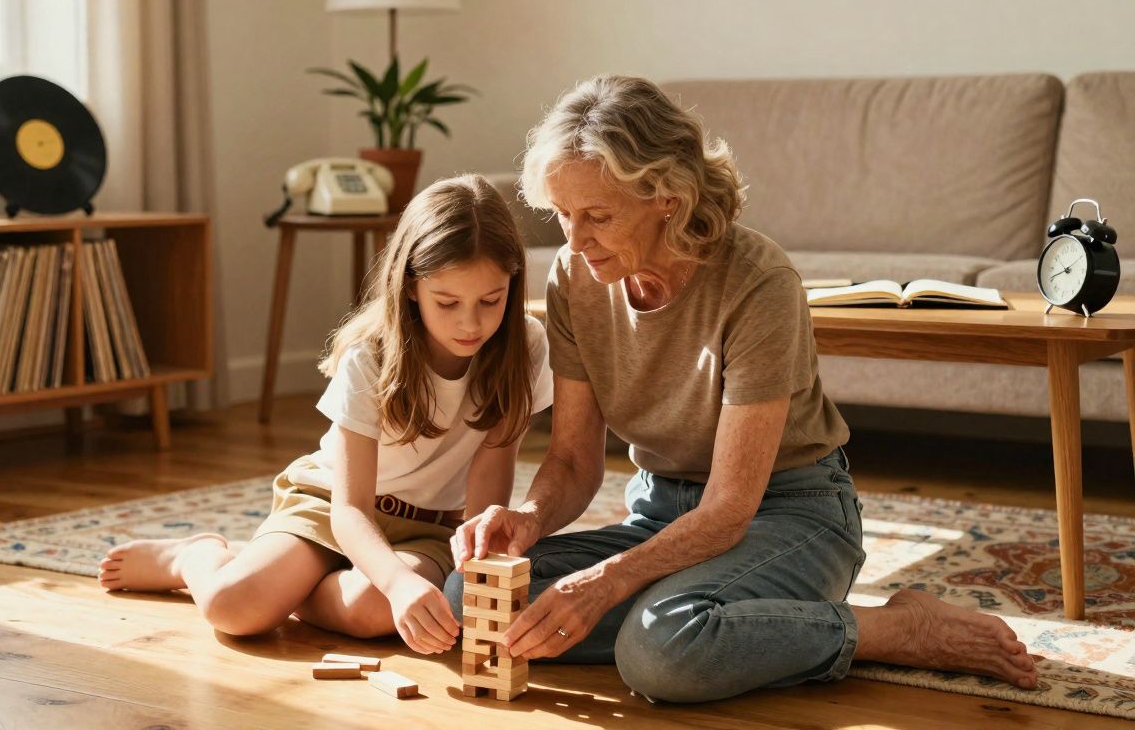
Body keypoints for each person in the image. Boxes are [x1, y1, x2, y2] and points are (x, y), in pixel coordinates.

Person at [446, 75, 1039, 701]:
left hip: (787, 511)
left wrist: (604, 584)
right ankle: (713, 618)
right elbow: (569, 459)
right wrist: (528, 518)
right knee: (473, 599)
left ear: (667, 198)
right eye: (563, 214)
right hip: (661, 515)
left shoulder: (758, 282)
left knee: (660, 656)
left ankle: (893, 629)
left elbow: (729, 509)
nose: (574, 239)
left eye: (598, 216)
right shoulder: (575, 276)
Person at [100, 174, 553, 654]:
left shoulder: (525, 346)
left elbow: (490, 479)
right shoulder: (371, 357)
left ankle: (287, 582)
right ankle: (196, 555)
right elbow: (351, 509)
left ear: (513, 283)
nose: (471, 322)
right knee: (233, 609)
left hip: (433, 528)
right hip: (334, 508)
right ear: (411, 288)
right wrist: (398, 583)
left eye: (491, 300)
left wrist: (468, 566)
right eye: (448, 302)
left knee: (373, 611)